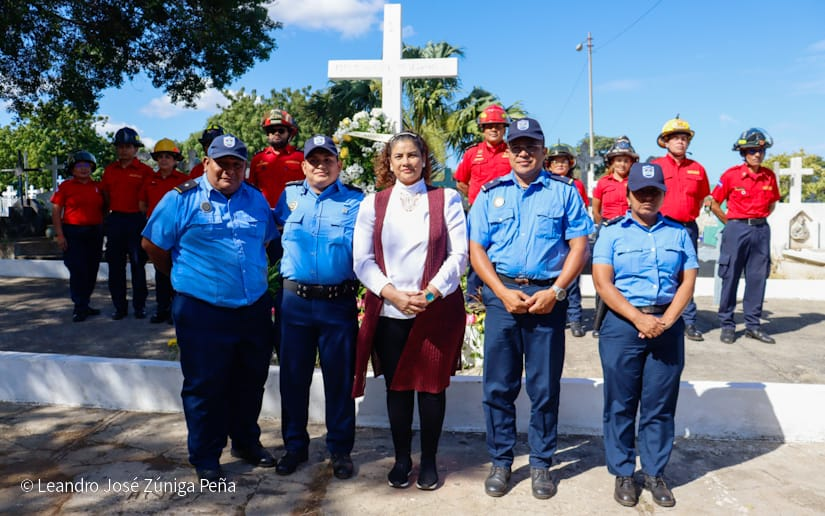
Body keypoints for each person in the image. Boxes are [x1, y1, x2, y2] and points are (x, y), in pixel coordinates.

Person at [141, 134, 279, 483]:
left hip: (252, 308)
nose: (229, 170)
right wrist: (181, 276)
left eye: (237, 164)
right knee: (205, 386)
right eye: (222, 163)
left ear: (245, 168)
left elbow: (265, 243)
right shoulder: (181, 199)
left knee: (251, 381)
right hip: (202, 310)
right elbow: (152, 244)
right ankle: (206, 455)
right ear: (206, 164)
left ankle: (246, 443)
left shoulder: (256, 199)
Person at [469, 118, 593, 500]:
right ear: (507, 151)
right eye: (517, 146)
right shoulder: (490, 194)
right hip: (503, 297)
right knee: (498, 386)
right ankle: (501, 461)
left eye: (531, 146)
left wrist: (556, 291)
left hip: (547, 299)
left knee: (544, 388)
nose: (523, 153)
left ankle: (541, 463)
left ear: (543, 151)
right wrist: (501, 292)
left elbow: (579, 246)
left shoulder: (564, 192)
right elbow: (477, 249)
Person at [353, 131, 468, 491]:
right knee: (398, 389)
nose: (406, 162)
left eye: (413, 155)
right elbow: (362, 260)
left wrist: (430, 294)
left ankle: (429, 461)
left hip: (436, 310)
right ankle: (402, 459)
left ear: (424, 159)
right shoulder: (372, 203)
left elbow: (459, 255)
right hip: (391, 311)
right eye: (399, 156)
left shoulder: (446, 198)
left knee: (432, 389)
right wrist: (394, 295)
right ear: (388, 162)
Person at [592, 162, 698, 508]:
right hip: (622, 325)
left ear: (663, 195)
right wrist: (638, 318)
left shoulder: (678, 233)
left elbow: (688, 281)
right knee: (620, 402)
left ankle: (654, 472)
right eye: (641, 192)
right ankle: (623, 472)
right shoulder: (611, 233)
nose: (647, 198)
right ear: (628, 195)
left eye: (654, 192)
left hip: (666, 324)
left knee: (660, 404)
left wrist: (665, 321)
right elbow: (603, 283)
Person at [273, 135, 364, 480]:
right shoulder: (288, 197)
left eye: (328, 160)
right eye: (314, 160)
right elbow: (272, 238)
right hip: (294, 303)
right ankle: (294, 446)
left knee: (339, 380)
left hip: (337, 303)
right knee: (292, 378)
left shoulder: (356, 201)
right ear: (304, 166)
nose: (321, 166)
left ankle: (340, 448)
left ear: (338, 165)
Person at [710, 128, 781, 345]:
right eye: (752, 151)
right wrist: (731, 222)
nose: (757, 155)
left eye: (760, 151)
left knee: (757, 278)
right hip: (736, 229)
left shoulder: (769, 176)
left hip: (761, 230)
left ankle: (753, 326)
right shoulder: (730, 175)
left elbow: (772, 203)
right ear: (743, 153)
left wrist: (757, 220)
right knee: (730, 276)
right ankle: (727, 324)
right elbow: (714, 203)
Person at [652, 116, 710, 342]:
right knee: (662, 270)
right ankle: (661, 316)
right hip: (661, 226)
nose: (680, 142)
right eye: (675, 138)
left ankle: (689, 321)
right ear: (665, 142)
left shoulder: (698, 169)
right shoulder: (656, 167)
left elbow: (703, 198)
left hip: (688, 228)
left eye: (684, 138)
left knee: (687, 274)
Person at [453, 104, 511, 305]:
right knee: (476, 257)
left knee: (503, 257)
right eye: (489, 126)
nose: (494, 129)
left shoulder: (512, 152)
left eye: (498, 125)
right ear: (483, 129)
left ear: (504, 129)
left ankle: (501, 300)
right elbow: (460, 181)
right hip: (479, 215)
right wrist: (477, 200)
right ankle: (473, 303)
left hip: (507, 215)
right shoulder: (472, 154)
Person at [101, 127, 153, 320]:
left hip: (137, 221)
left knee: (138, 265)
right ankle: (119, 307)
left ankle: (140, 306)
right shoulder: (110, 170)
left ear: (136, 149)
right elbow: (105, 195)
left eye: (128, 146)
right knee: (115, 267)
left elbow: (149, 197)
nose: (124, 150)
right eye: (120, 146)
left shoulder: (145, 171)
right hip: (116, 220)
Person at [590, 136, 639, 337]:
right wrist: (606, 227)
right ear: (611, 162)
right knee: (603, 277)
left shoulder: (635, 183)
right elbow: (596, 210)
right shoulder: (603, 183)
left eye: (626, 160)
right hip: (607, 229)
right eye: (618, 160)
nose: (622, 164)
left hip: (630, 230)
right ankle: (599, 323)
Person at [50, 151, 105, 322]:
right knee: (78, 270)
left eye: (87, 166)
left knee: (91, 270)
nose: (83, 169)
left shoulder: (98, 187)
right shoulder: (66, 187)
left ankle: (85, 303)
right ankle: (79, 306)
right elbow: (56, 211)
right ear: (72, 169)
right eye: (79, 166)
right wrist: (60, 235)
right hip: (73, 233)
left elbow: (104, 208)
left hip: (94, 232)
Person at [139, 138, 188, 324]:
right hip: (157, 234)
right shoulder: (149, 180)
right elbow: (142, 205)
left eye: (168, 156)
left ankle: (177, 310)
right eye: (160, 157)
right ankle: (162, 309)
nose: (164, 160)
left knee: (178, 270)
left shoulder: (184, 180)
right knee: (160, 272)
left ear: (175, 160)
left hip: (179, 233)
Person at [545, 143, 590, 337]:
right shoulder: (544, 183)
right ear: (549, 165)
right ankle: (557, 316)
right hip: (552, 239)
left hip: (571, 238)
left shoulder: (576, 185)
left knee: (572, 281)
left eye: (563, 161)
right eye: (555, 162)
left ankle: (575, 318)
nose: (560, 165)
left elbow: (582, 211)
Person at [248, 108, 304, 208]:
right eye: (272, 131)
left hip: (293, 213)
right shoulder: (257, 159)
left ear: (289, 133)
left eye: (281, 131)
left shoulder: (301, 158)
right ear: (267, 134)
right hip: (264, 213)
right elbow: (251, 190)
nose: (277, 133)